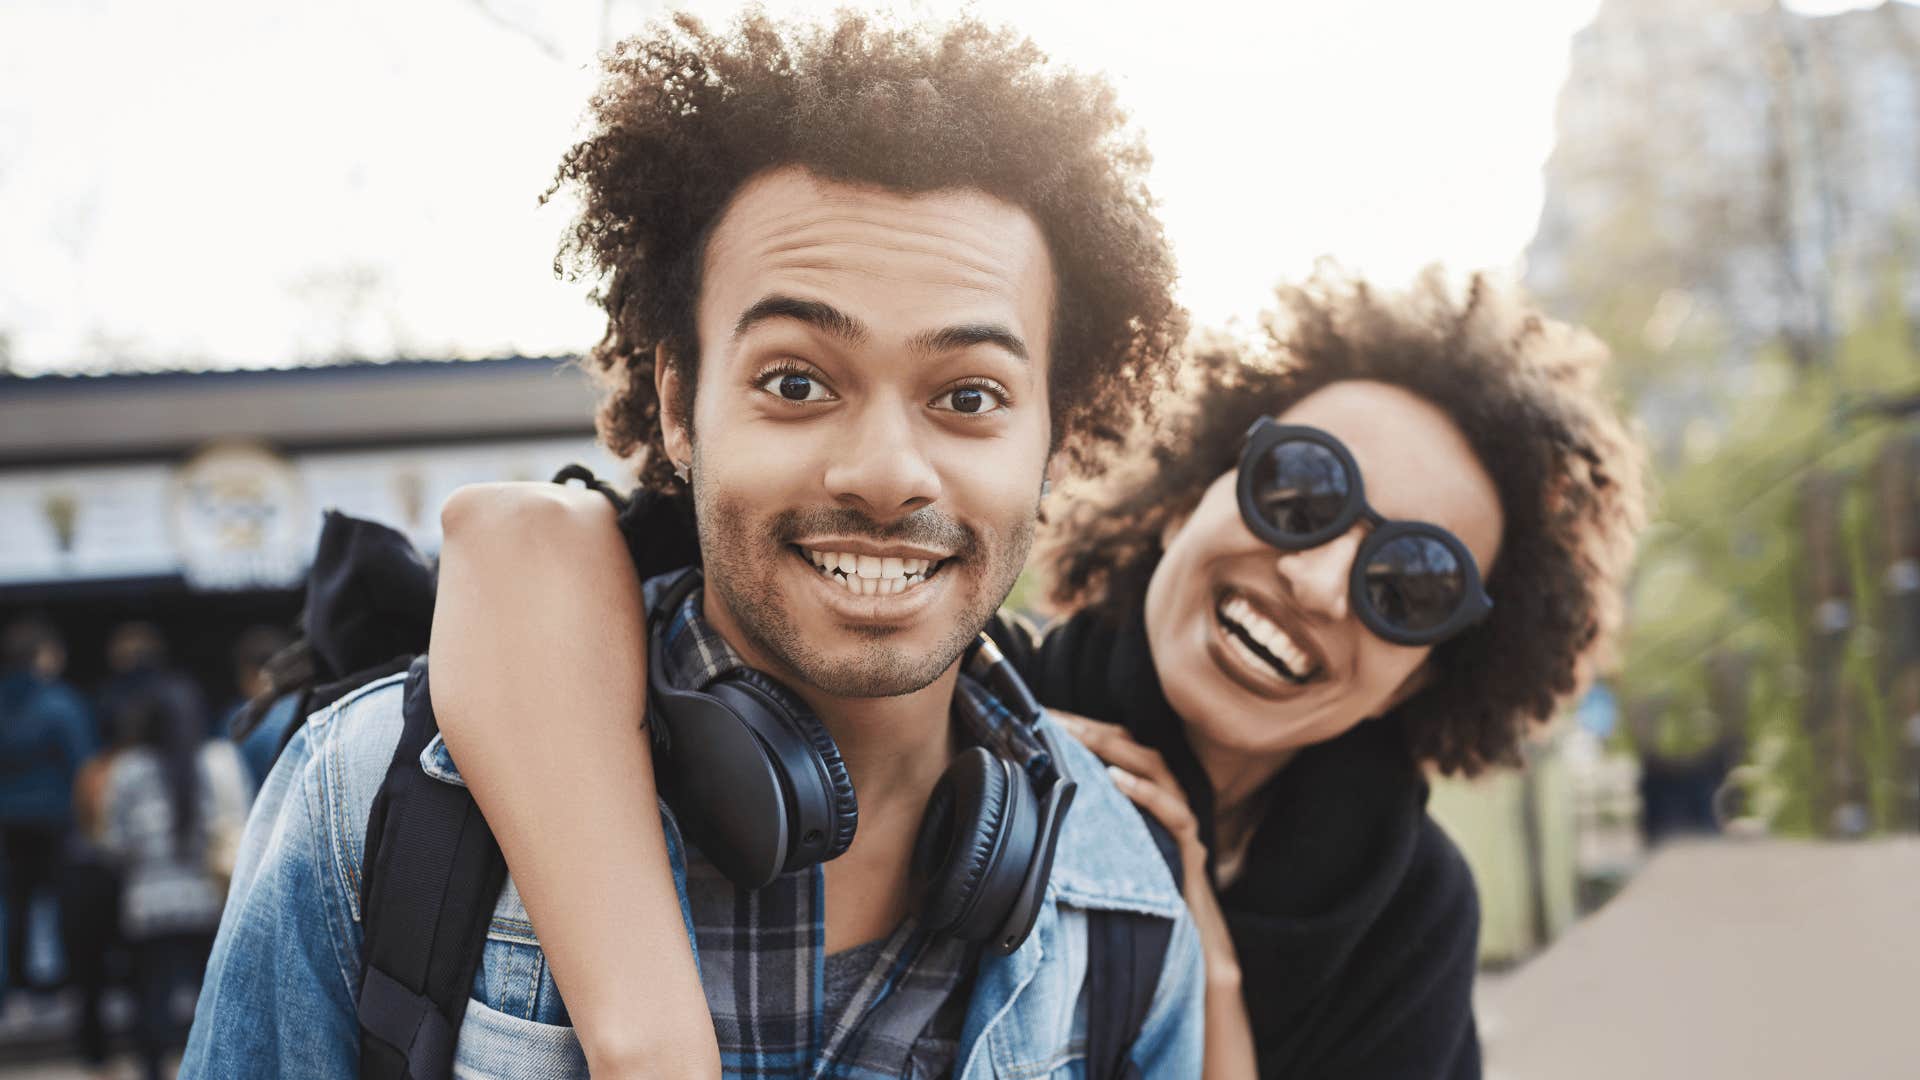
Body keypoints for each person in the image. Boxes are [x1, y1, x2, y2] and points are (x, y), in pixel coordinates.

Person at [184, 11, 1201, 1079]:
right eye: (796, 382)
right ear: (679, 403)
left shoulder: (1124, 901)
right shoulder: (371, 801)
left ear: (1056, 438)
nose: (887, 470)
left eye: (970, 395)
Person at [427, 271, 1649, 1077]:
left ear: (1433, 674)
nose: (1320, 582)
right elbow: (526, 541)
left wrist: (1201, 965)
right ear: (1191, 493)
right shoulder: (945, 682)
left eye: (1413, 583)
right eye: (1302, 493)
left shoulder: (1410, 909)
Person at [98, 671, 252, 1080]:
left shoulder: (128, 769)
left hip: (147, 906)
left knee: (152, 996)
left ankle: (154, 1071)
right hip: (206, 901)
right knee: (212, 995)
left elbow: (114, 843)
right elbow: (237, 824)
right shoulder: (215, 761)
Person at [0, 618, 94, 1000]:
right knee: (60, 901)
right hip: (57, 819)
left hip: (7, 820)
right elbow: (82, 764)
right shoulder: (62, 703)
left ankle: (14, 984)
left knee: (13, 902)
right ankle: (58, 982)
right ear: (42, 657)